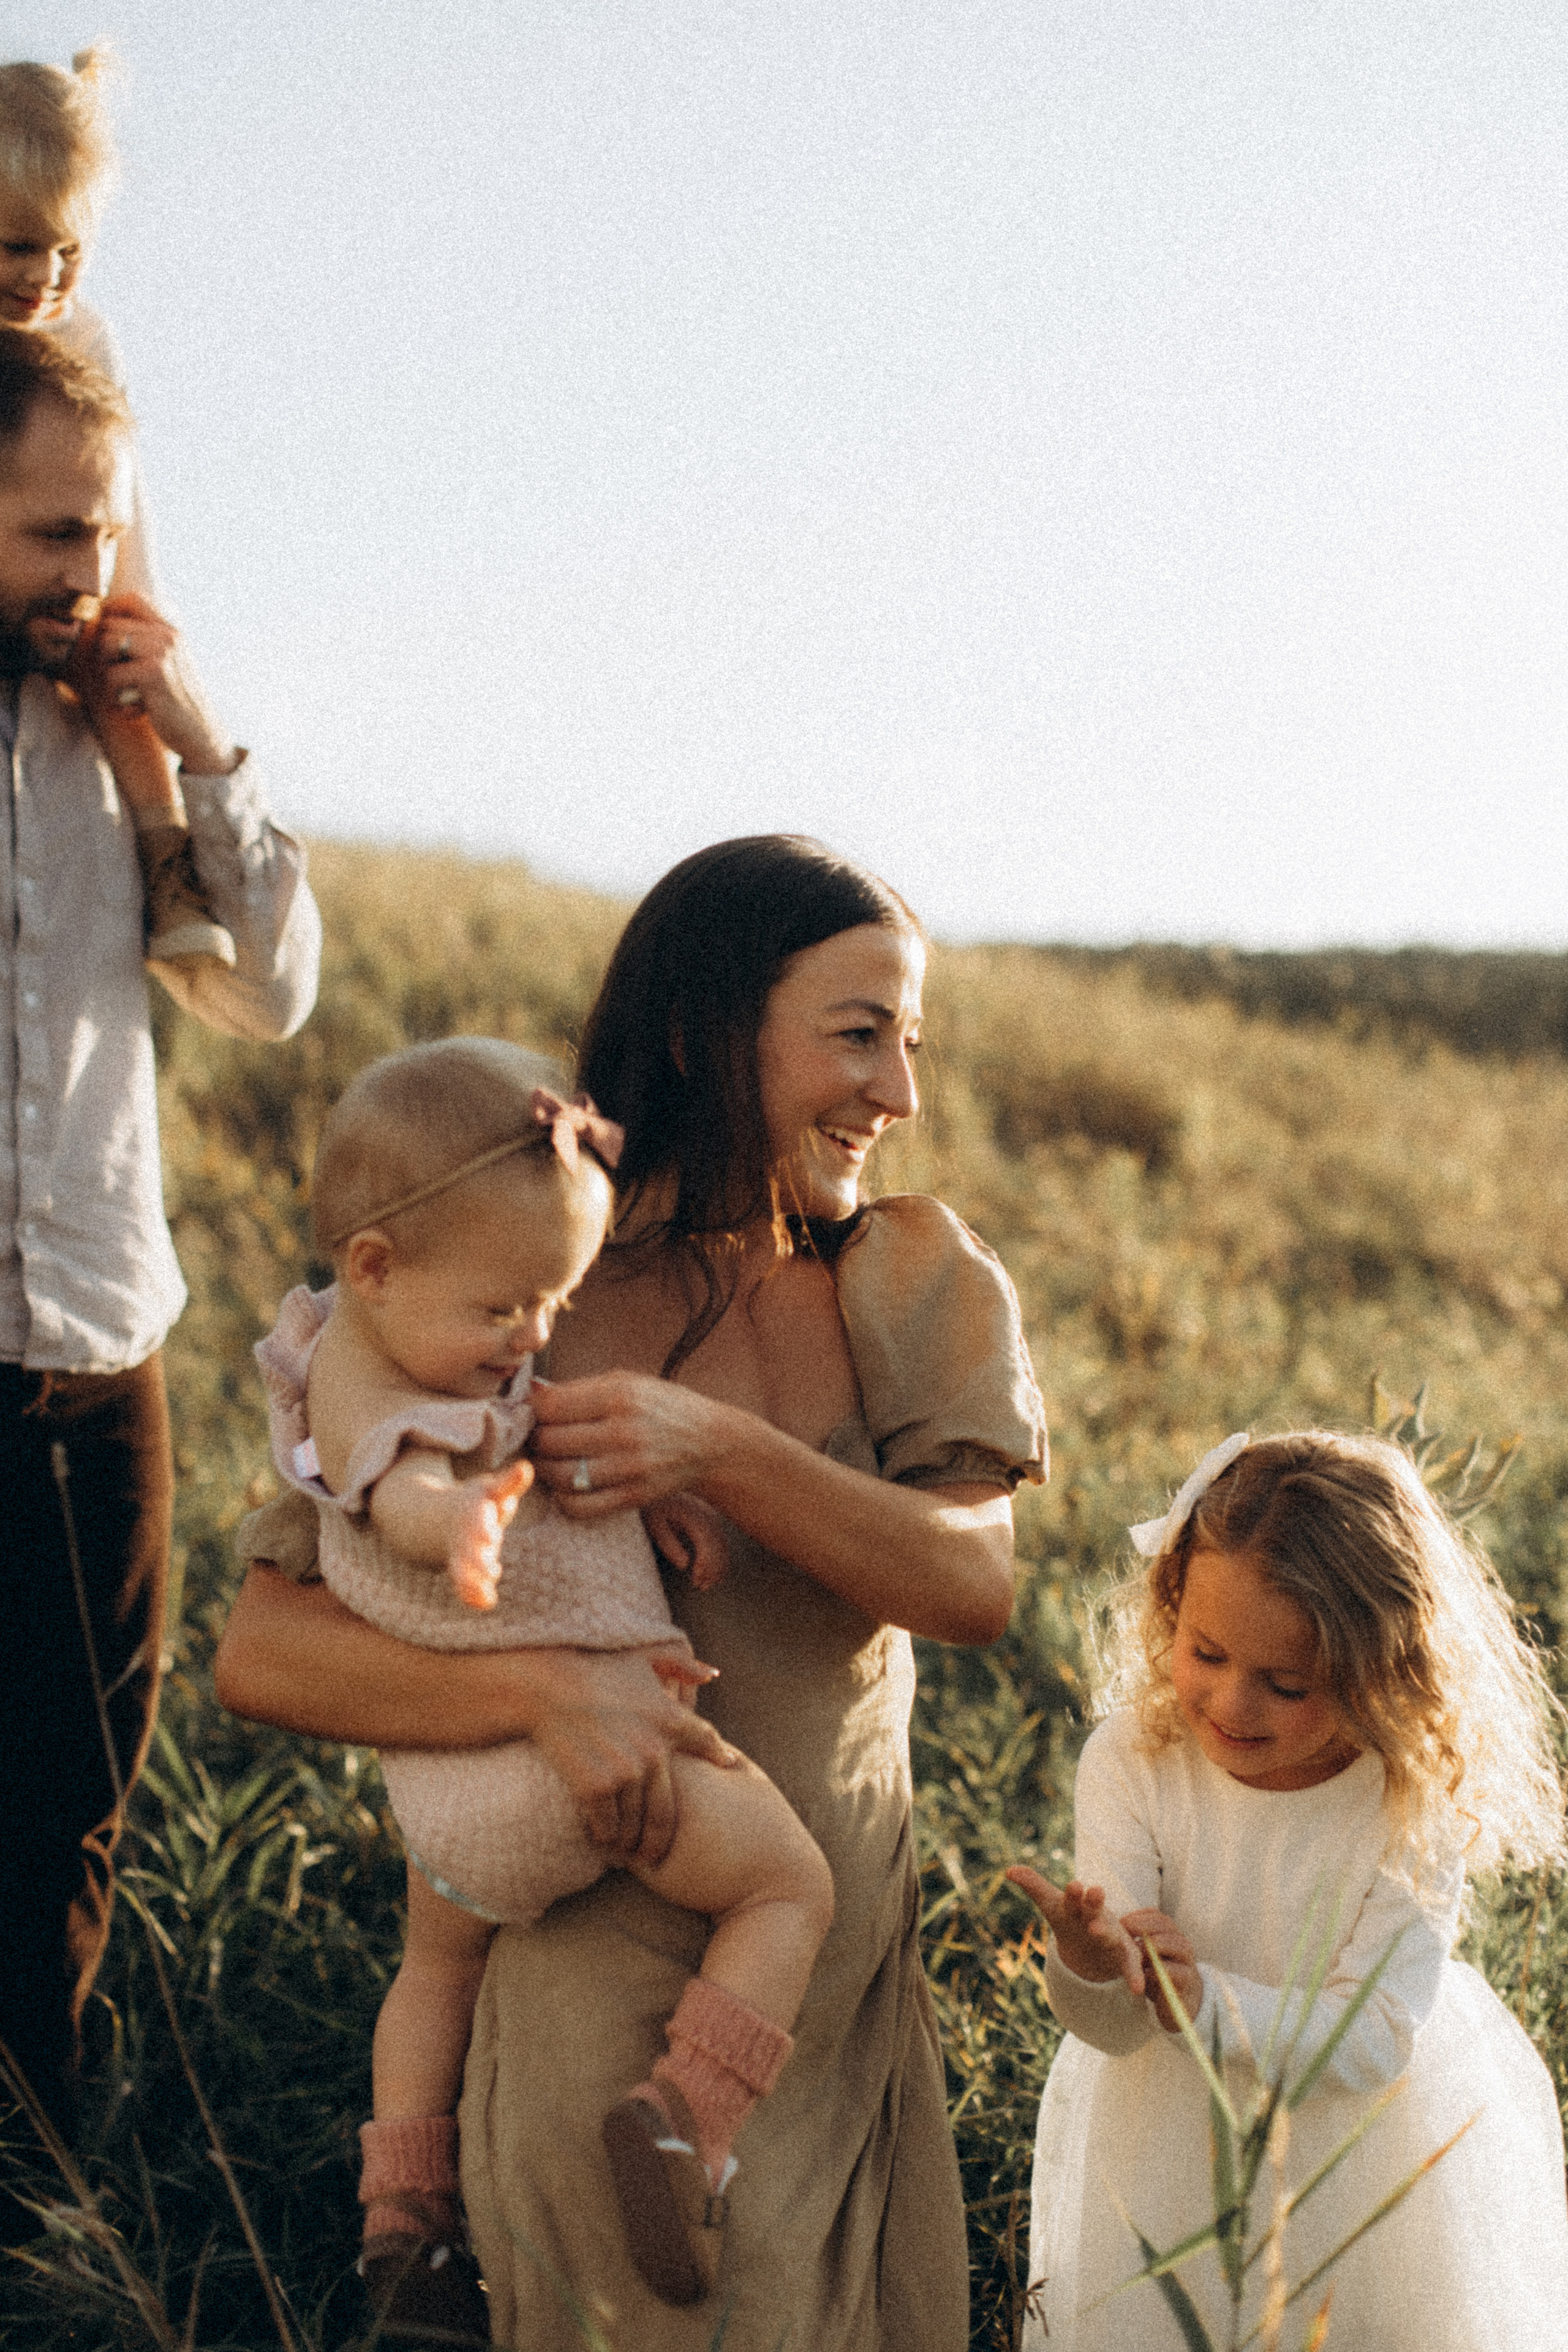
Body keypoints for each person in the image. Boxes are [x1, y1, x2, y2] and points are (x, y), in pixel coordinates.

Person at [217, 833, 1049, 2351]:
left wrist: (715, 1451)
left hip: (821, 1973)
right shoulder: (522, 1282)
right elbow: (264, 1651)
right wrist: (543, 1693)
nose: (899, 1093)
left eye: (910, 1041)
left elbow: (971, 1583)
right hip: (584, 1993)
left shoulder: (914, 1279)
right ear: (701, 1030)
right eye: (855, 1036)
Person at [256, 1035, 833, 2326]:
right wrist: (443, 1528)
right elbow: (397, 1478)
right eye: (505, 1307)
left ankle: (403, 2226)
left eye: (552, 1307)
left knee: (431, 1978)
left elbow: (533, 1454)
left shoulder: (408, 1350)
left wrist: (648, 1515)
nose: (531, 1337)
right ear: (371, 1266)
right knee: (789, 1884)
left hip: (451, 1821)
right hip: (573, 1767)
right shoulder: (371, 1390)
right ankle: (688, 2123)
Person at [0, 322, 320, 2152]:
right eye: (52, 536)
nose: (91, 578)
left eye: (108, 535)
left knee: (65, 1816)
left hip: (99, 1352)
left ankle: (37, 2214)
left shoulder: (121, 748)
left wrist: (187, 740)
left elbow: (266, 990)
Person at [1008, 1430, 1568, 2352]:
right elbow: (1114, 2025)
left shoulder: (1406, 1798)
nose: (1233, 1705)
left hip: (1361, 2153)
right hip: (1170, 2148)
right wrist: (1092, 1965)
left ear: (1381, 1668)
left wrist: (1205, 2003)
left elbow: (1376, 2031)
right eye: (1206, 1653)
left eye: (1286, 1682)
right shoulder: (1135, 1761)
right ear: (1170, 1607)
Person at [0, 43, 233, 966]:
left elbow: (115, 498)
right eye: (18, 246)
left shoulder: (84, 334)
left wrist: (122, 606)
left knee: (119, 640)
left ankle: (165, 848)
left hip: (71, 560)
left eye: (72, 251)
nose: (46, 280)